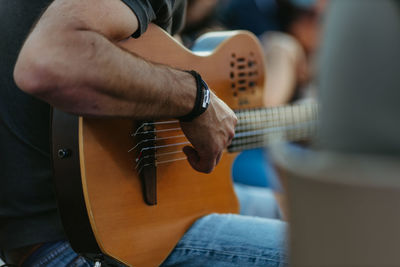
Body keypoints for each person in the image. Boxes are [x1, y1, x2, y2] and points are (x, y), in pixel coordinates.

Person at [0, 0, 287, 266]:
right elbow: (49, 60)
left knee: (292, 208)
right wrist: (198, 100)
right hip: (78, 244)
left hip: (118, 217)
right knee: (324, 248)